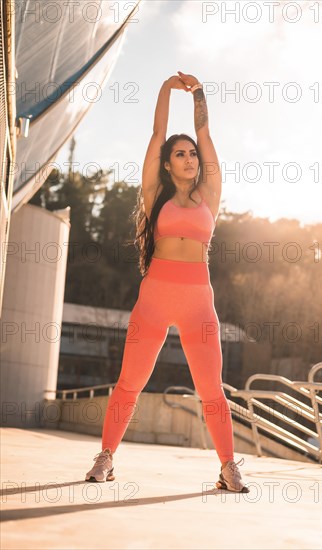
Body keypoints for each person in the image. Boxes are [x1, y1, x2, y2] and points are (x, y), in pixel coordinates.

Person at [85, 71, 250, 493]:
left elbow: (206, 131)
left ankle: (228, 466)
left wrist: (199, 93)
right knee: (130, 382)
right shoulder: (153, 192)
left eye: (192, 153)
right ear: (167, 162)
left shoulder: (209, 194)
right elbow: (158, 131)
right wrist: (163, 89)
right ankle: (105, 457)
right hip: (155, 297)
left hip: (198, 301)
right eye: (180, 154)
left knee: (211, 389)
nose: (190, 158)